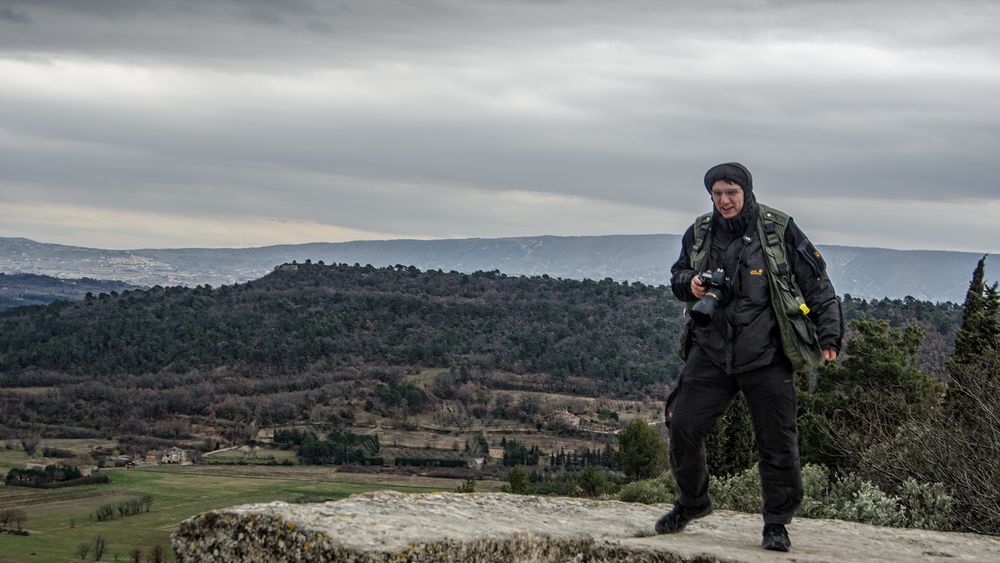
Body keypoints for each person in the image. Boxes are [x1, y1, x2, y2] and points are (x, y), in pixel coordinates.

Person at [657, 162, 843, 552]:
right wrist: (688, 283)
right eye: (717, 193)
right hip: (711, 349)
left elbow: (817, 282)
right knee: (683, 424)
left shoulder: (777, 229)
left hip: (767, 351)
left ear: (746, 192)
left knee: (777, 442)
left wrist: (830, 333)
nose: (724, 201)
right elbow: (678, 275)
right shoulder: (700, 232)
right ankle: (693, 502)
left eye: (732, 193)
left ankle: (777, 522)